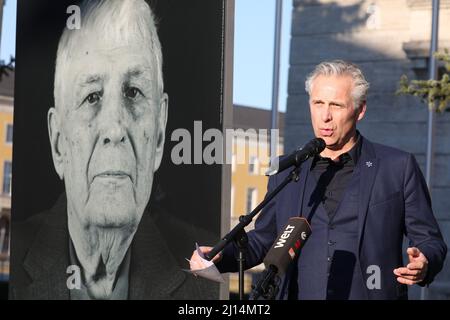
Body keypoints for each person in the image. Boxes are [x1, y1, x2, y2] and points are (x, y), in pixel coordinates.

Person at [191, 60, 447, 300]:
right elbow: (264, 240)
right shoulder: (287, 170)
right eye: (318, 103)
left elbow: (429, 239)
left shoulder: (397, 167)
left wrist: (424, 261)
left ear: (360, 110)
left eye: (336, 105)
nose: (325, 116)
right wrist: (219, 257)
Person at [11, 0, 215, 300]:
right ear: (58, 142)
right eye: (92, 96)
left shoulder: (204, 273)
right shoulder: (14, 255)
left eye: (133, 92)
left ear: (159, 133)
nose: (114, 129)